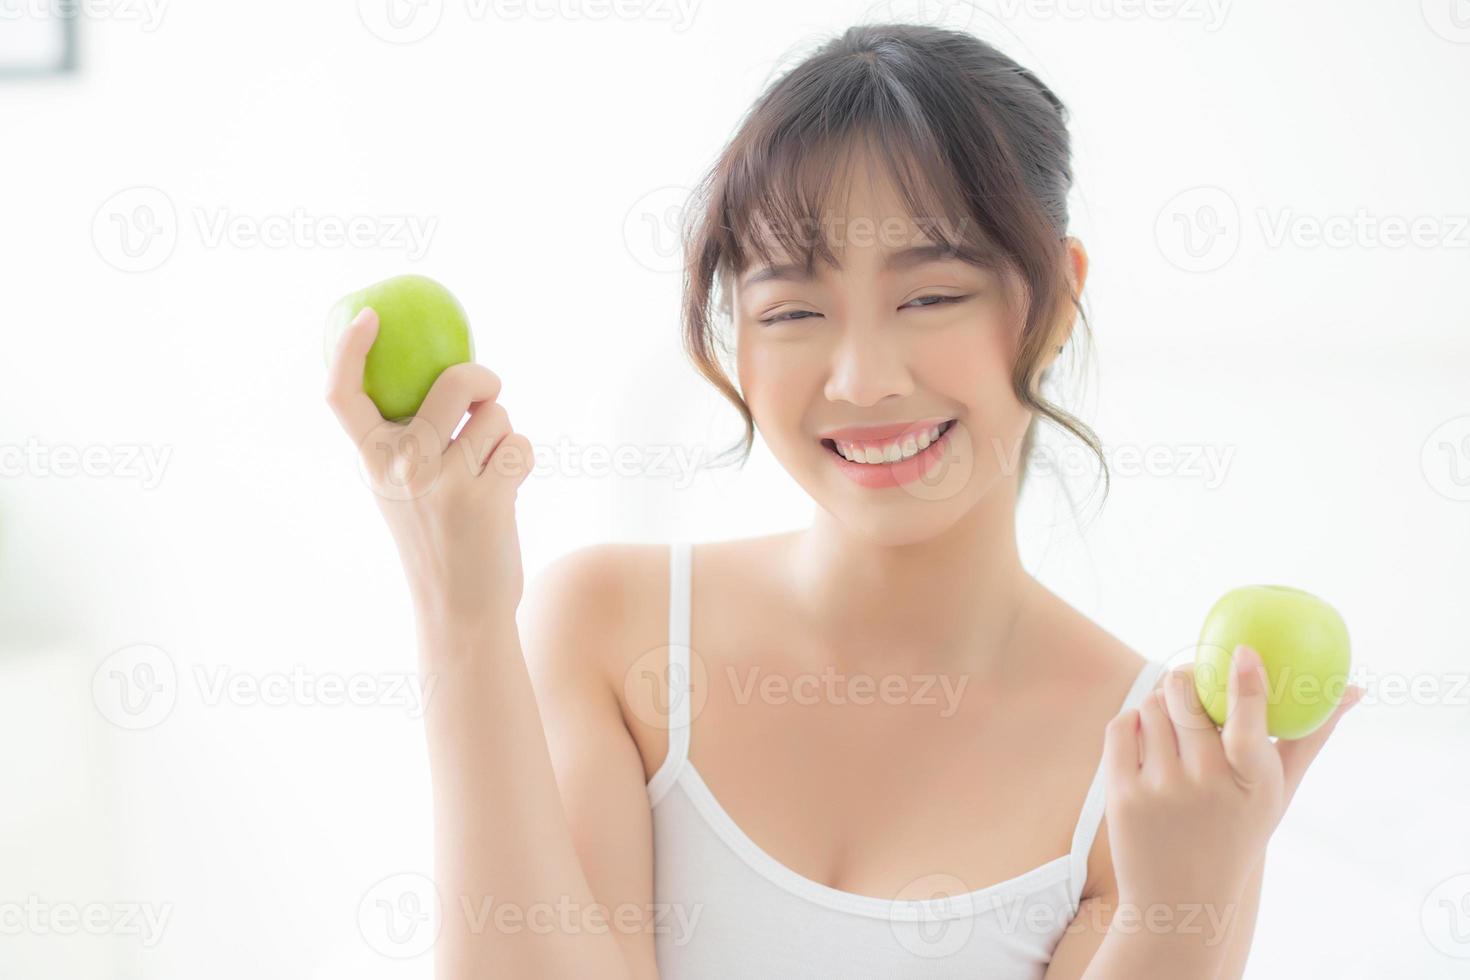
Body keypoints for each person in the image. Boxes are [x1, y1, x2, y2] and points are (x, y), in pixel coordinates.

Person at [325, 22, 1363, 980]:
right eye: (795, 308)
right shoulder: (609, 629)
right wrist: (460, 619)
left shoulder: (1157, 776)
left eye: (930, 296)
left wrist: (1180, 907)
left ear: (1054, 298)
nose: (861, 377)